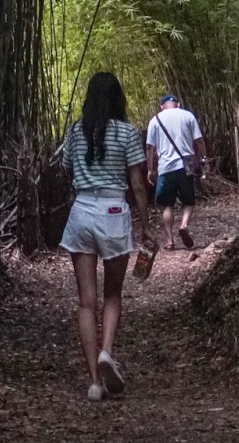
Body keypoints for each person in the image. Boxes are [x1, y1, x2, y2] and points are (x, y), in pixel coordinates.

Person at [60, 71, 156, 402]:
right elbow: (137, 184)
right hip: (115, 211)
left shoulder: (74, 131)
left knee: (86, 300)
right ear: (118, 98)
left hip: (83, 209)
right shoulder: (128, 133)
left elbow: (67, 169)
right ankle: (107, 352)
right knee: (112, 295)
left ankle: (94, 383)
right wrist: (145, 225)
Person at [145, 92, 206, 250]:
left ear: (162, 106)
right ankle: (184, 225)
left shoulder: (155, 120)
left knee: (167, 205)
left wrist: (150, 170)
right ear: (178, 104)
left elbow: (149, 148)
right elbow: (198, 141)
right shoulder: (188, 116)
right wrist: (203, 159)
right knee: (188, 201)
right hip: (186, 166)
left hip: (166, 167)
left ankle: (170, 240)